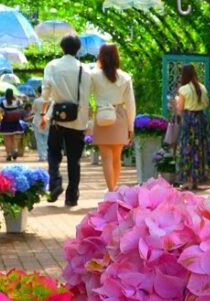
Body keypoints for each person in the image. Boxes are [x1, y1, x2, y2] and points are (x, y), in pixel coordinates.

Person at [39, 35, 92, 206]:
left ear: (62, 47)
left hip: (58, 119)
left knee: (53, 152)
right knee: (74, 159)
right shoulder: (85, 69)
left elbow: (45, 93)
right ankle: (72, 195)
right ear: (78, 49)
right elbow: (86, 96)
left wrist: (44, 112)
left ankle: (54, 182)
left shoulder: (52, 65)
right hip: (77, 119)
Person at [89, 44, 136, 191]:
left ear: (101, 56)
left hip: (102, 116)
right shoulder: (125, 77)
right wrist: (131, 126)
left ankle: (111, 189)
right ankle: (114, 188)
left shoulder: (94, 75)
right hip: (119, 116)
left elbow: (86, 96)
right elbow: (130, 104)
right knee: (117, 157)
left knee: (106, 157)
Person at [175, 64, 210, 190]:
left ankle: (187, 180)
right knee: (199, 148)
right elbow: (206, 104)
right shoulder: (202, 88)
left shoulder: (183, 89)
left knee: (187, 147)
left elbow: (179, 109)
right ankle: (196, 179)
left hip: (189, 120)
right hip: (201, 119)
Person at [0, 89, 25, 161]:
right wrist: (16, 97)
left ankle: (8, 154)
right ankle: (14, 150)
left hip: (6, 122)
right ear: (12, 94)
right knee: (14, 138)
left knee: (7, 139)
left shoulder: (3, 102)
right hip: (15, 122)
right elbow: (21, 103)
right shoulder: (17, 102)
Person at [29, 88, 49, 162]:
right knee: (47, 139)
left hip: (37, 121)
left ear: (39, 92)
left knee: (39, 139)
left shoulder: (36, 100)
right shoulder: (50, 100)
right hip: (47, 120)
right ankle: (47, 155)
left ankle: (42, 156)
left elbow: (33, 111)